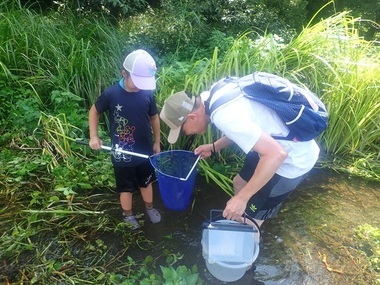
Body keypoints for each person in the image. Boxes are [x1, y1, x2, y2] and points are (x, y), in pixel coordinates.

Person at [159, 79, 320, 230]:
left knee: (251, 223)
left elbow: (277, 154)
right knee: (239, 183)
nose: (185, 134)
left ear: (192, 117)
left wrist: (241, 199)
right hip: (267, 145)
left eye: (182, 130)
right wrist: (215, 146)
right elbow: (243, 125)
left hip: (291, 160)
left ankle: (248, 232)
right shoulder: (214, 94)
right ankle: (240, 222)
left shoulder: (223, 116)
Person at [88, 49, 161, 229]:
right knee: (125, 186)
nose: (139, 86)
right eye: (136, 81)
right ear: (124, 74)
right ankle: (128, 214)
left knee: (146, 181)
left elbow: (154, 117)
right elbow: (94, 111)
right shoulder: (111, 94)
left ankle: (149, 208)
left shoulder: (147, 93)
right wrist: (94, 136)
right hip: (122, 153)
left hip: (144, 151)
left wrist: (157, 141)